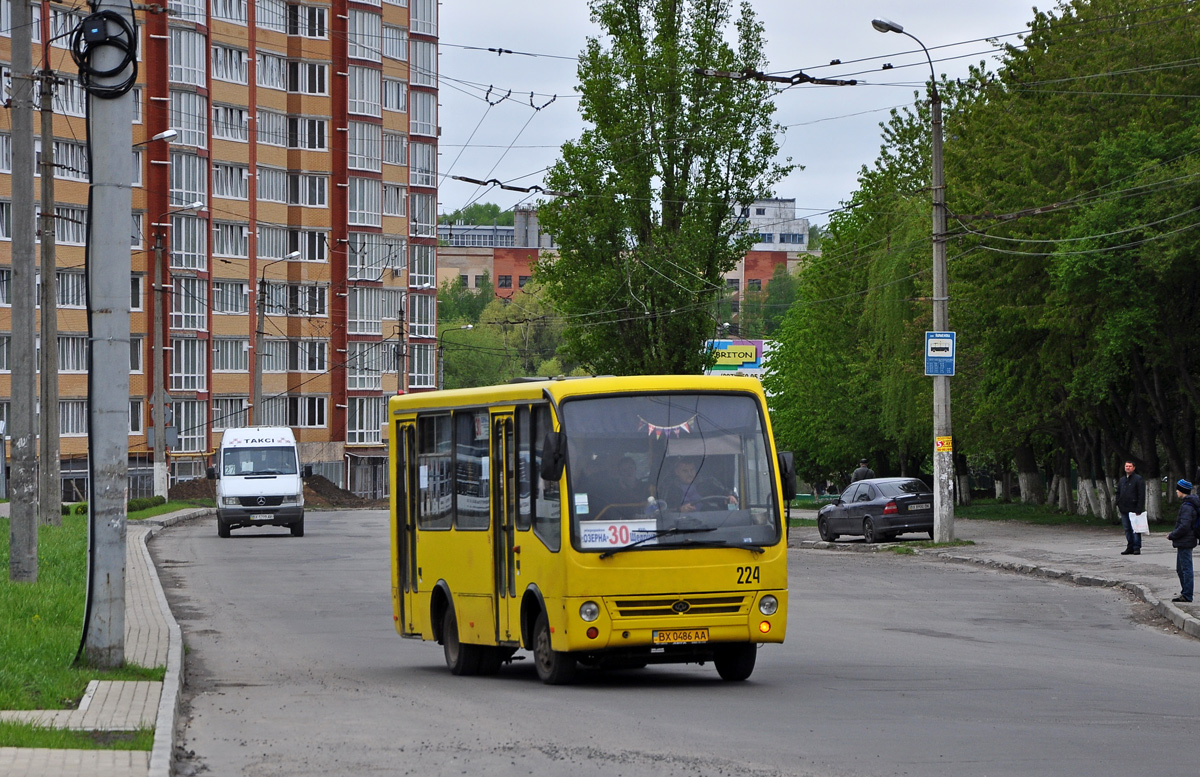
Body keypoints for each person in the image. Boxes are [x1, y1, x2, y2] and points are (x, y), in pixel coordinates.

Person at [660, 458, 734, 513]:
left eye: (692, 470)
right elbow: (663, 511)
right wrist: (680, 509)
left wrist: (731, 496)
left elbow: (729, 493)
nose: (690, 474)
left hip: (710, 521)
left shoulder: (709, 482)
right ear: (677, 472)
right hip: (680, 526)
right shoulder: (669, 488)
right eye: (685, 471)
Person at [1167, 479, 1198, 603]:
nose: (1176, 491)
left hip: (1186, 540)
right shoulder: (1189, 504)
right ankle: (1185, 592)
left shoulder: (1187, 506)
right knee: (1181, 568)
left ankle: (1187, 594)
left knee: (1185, 569)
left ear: (1182, 491)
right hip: (1186, 540)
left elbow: (1184, 526)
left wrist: (1172, 535)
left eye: (1177, 489)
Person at [1114, 459, 1146, 555]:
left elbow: (1141, 494)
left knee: (1135, 529)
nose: (1128, 468)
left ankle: (1136, 547)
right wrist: (1118, 502)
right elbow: (1118, 492)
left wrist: (1139, 508)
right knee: (1127, 529)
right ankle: (1130, 546)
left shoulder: (1138, 479)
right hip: (1123, 508)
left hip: (1134, 508)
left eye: (1130, 466)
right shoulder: (1122, 480)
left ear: (1134, 468)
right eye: (1126, 466)